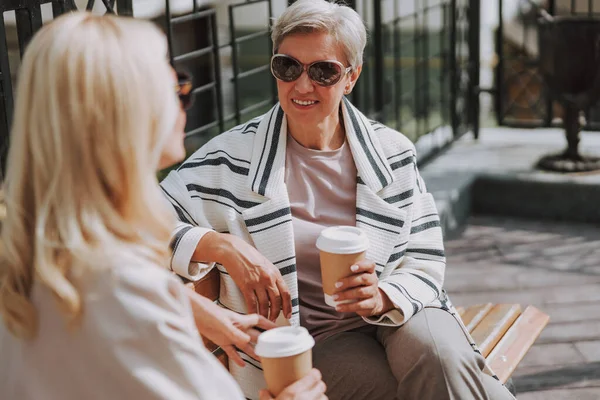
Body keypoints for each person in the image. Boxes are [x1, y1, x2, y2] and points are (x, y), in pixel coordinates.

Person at [160, 1, 518, 399]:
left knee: (441, 356)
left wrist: (380, 295)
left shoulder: (391, 151)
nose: (302, 85)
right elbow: (135, 224)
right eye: (288, 66)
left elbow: (425, 256)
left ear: (351, 77)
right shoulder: (230, 160)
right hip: (323, 337)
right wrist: (220, 245)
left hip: (402, 310)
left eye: (323, 71)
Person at [0, 12, 327, 400]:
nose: (186, 104)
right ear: (134, 117)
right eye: (177, 90)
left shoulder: (24, 243)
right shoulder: (122, 296)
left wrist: (186, 303)